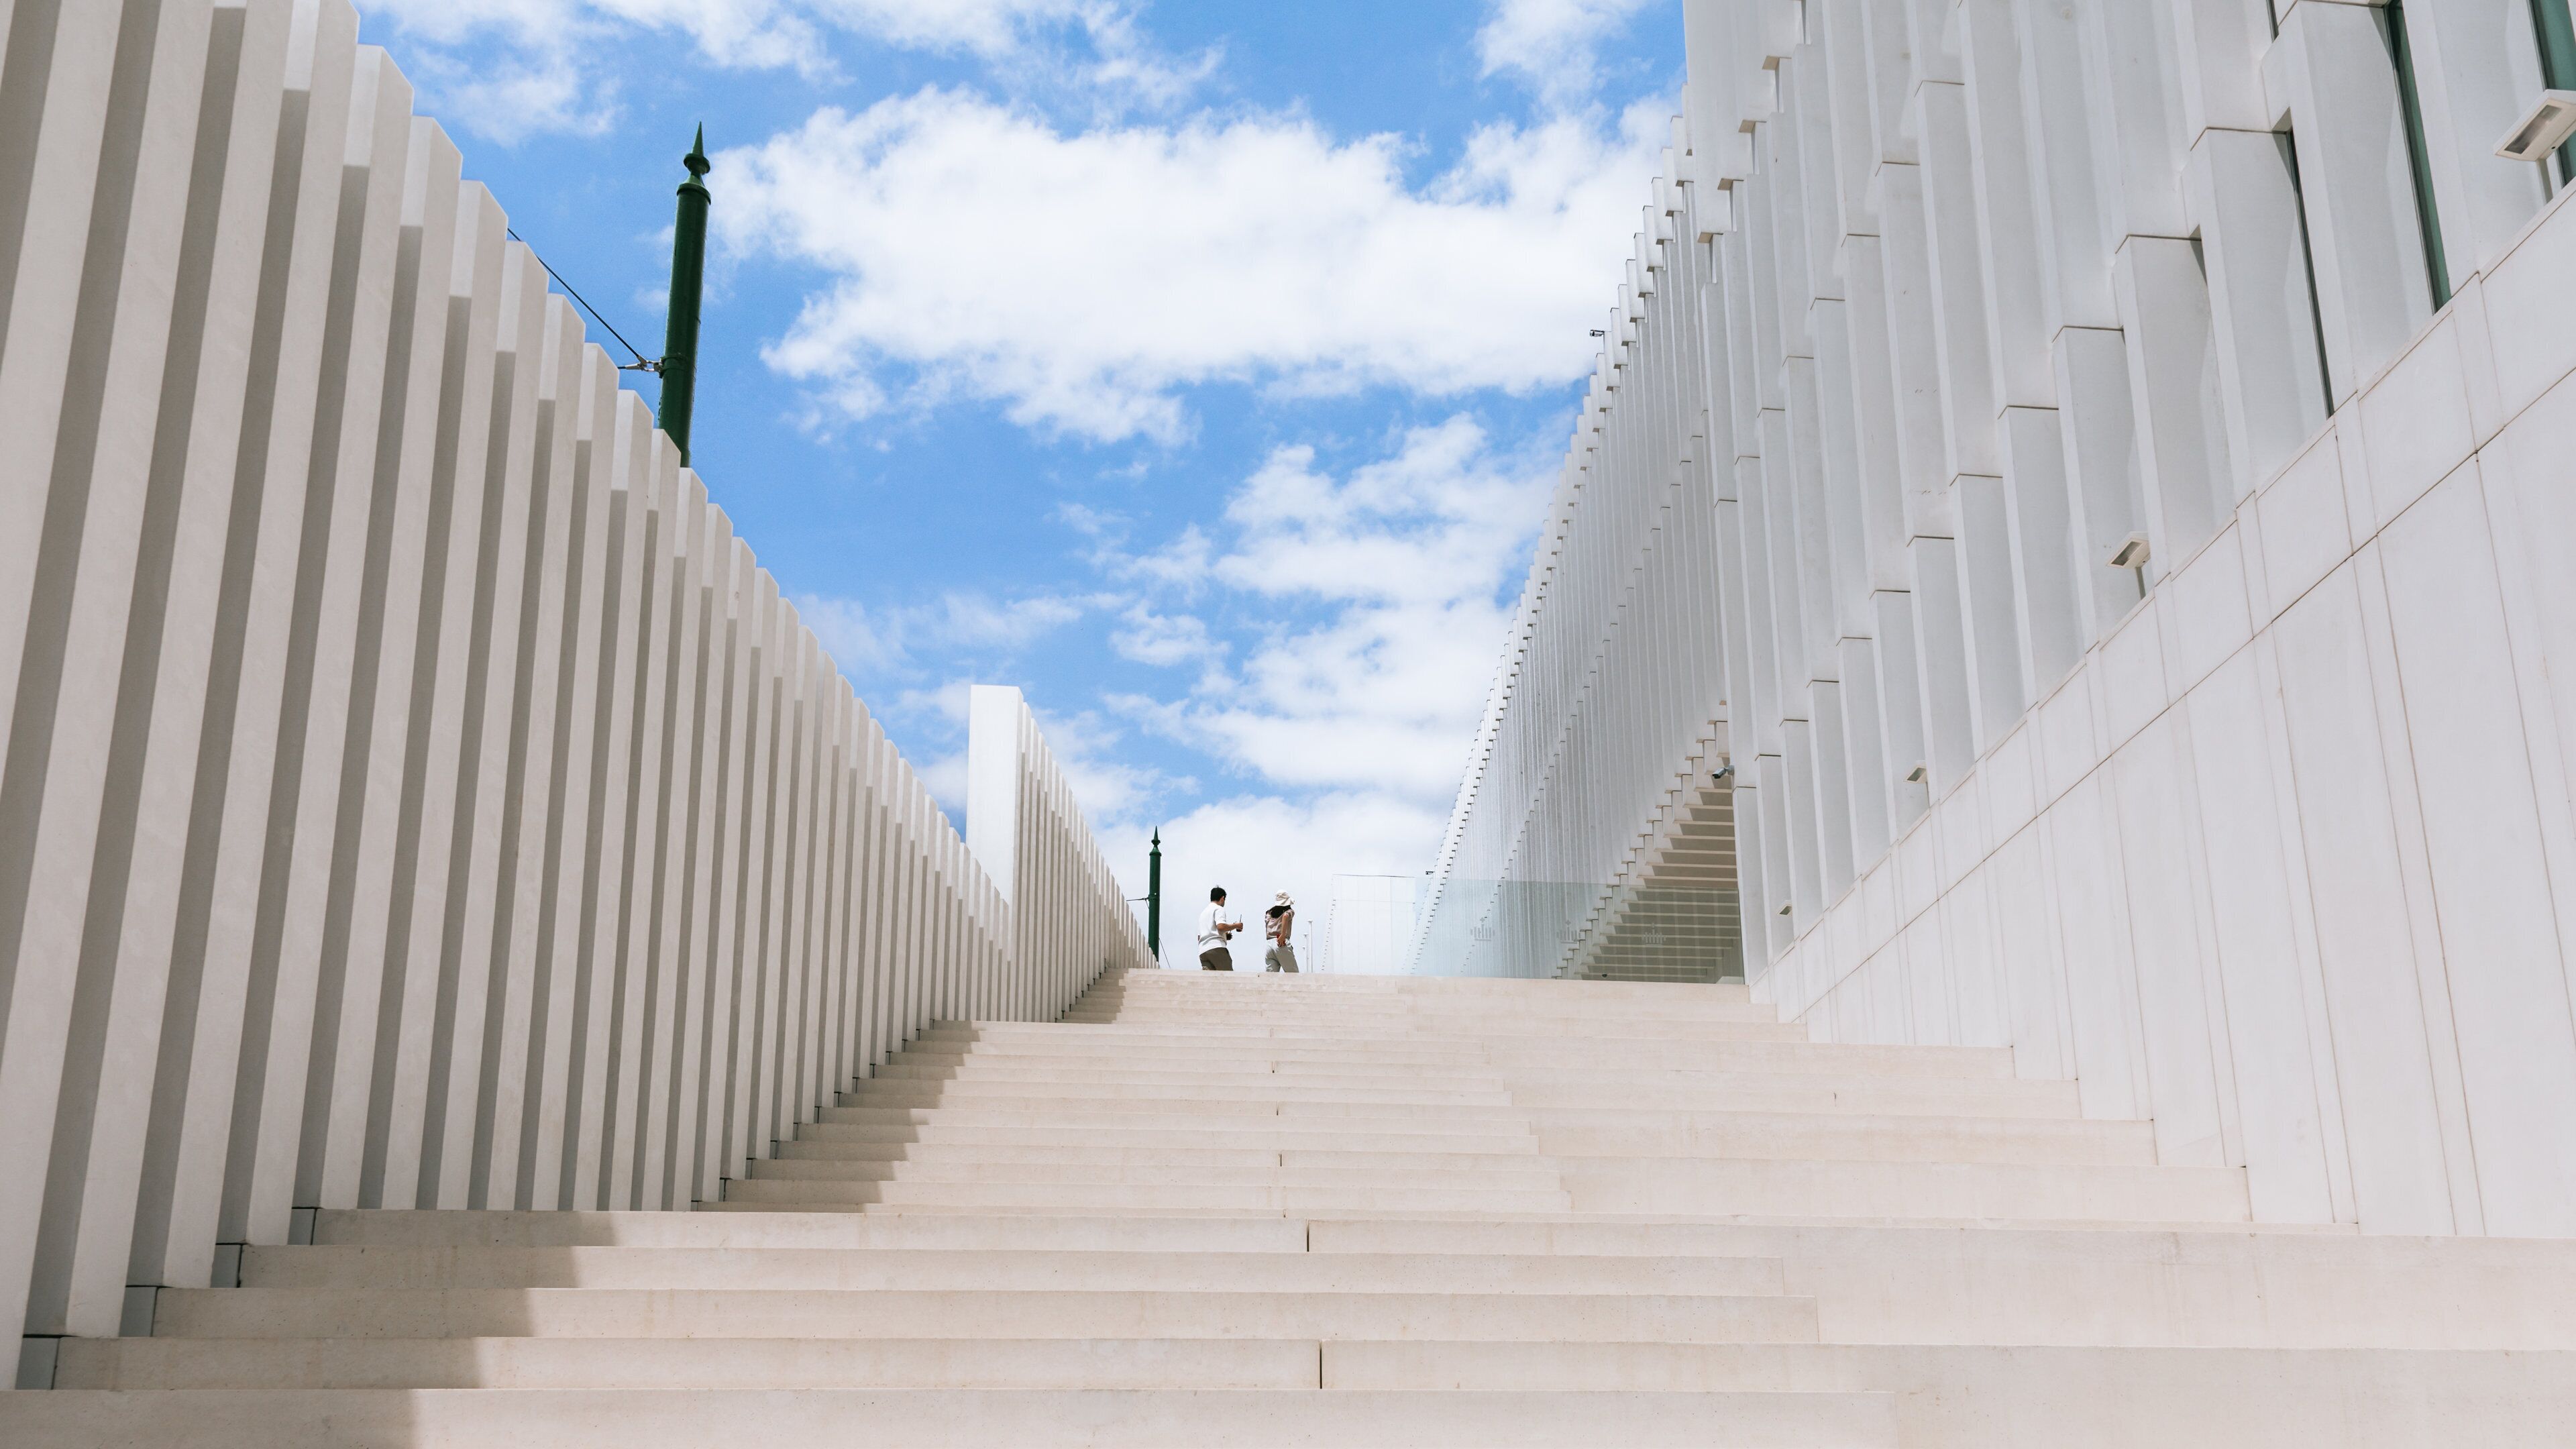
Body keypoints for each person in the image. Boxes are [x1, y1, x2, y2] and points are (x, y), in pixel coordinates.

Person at [1195, 887, 1241, 971]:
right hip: (1216, 948)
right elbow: (1221, 927)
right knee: (1228, 978)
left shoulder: (1203, 914)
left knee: (1211, 981)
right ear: (1223, 898)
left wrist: (1224, 936)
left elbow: (1200, 937)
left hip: (1203, 951)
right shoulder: (1219, 909)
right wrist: (1236, 926)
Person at [1262, 892, 1299, 973]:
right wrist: (1282, 935)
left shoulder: (1269, 913)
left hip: (1269, 945)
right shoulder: (1289, 911)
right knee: (1293, 975)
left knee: (1270, 977)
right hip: (1280, 942)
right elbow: (1286, 916)